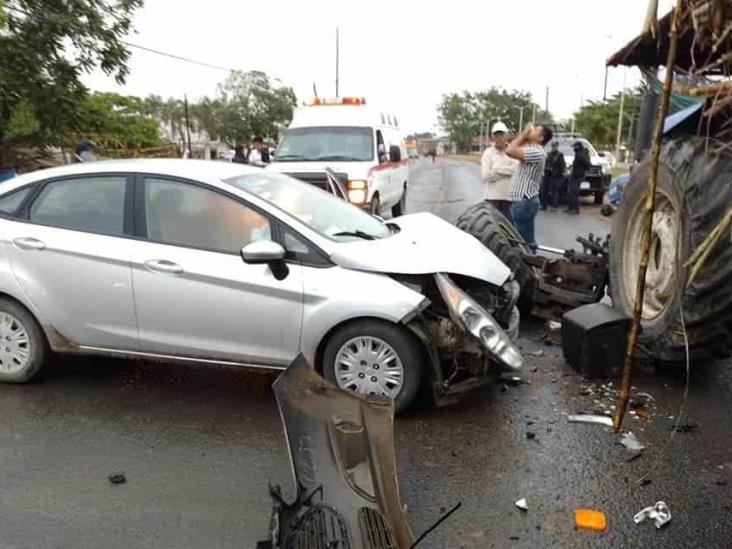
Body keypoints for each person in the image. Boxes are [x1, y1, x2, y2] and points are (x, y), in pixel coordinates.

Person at [506, 124, 554, 246]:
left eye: (535, 130)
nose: (531, 130)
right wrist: (525, 136)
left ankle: (528, 262)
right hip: (523, 201)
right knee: (525, 239)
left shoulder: (536, 152)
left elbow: (510, 150)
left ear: (541, 138)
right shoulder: (532, 149)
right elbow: (514, 144)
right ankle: (530, 261)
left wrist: (524, 133)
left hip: (524, 201)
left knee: (523, 241)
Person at [480, 121, 518, 221]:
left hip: (508, 199)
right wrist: (507, 170)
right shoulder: (488, 153)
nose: (499, 138)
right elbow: (486, 176)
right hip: (492, 199)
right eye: (496, 135)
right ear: (492, 137)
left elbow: (516, 170)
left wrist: (496, 169)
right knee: (492, 231)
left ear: (506, 136)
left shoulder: (512, 151)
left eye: (501, 134)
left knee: (509, 231)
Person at [566, 141, 591, 214]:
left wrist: (581, 170)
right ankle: (571, 207)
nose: (574, 149)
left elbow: (588, 165)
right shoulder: (579, 154)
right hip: (574, 174)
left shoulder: (581, 155)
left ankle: (575, 209)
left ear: (578, 148)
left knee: (574, 192)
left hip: (578, 175)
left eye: (574, 148)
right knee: (570, 191)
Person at [543, 141, 566, 211]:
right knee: (544, 190)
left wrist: (556, 172)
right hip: (547, 174)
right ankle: (544, 205)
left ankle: (554, 206)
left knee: (554, 192)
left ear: (557, 146)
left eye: (555, 146)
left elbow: (562, 166)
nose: (553, 147)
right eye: (552, 146)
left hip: (555, 176)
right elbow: (545, 163)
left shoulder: (559, 155)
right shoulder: (548, 154)